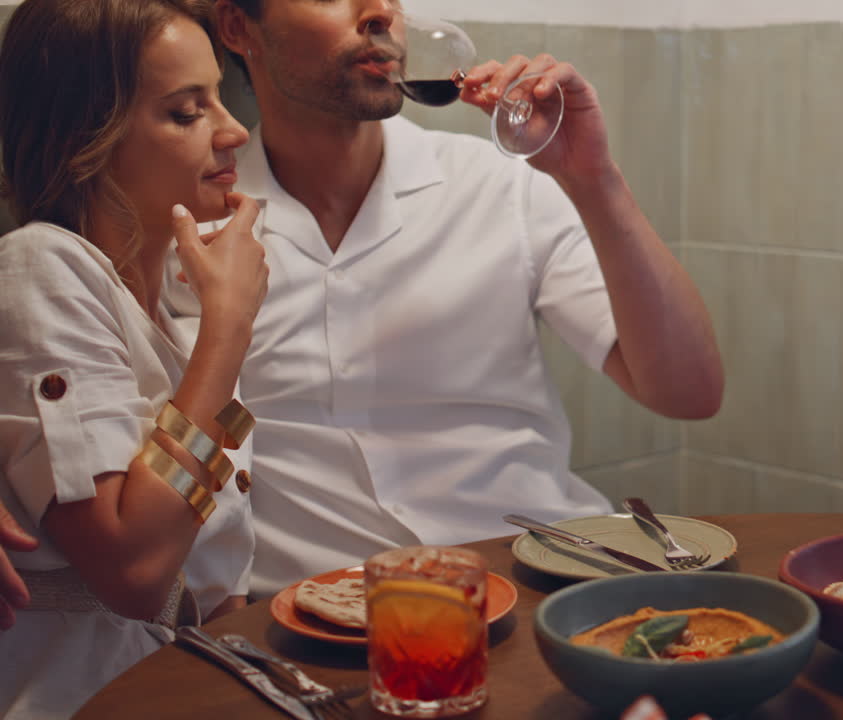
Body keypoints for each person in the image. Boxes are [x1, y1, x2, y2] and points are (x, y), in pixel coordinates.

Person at [165, 0, 725, 596]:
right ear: (236, 26)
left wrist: (594, 180)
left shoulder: (503, 184)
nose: (379, 12)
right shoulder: (192, 228)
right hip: (316, 618)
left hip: (537, 586)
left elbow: (688, 393)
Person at [0, 0, 267, 716]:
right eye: (186, 113)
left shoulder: (172, 331)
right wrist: (229, 326)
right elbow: (135, 570)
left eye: (220, 96)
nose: (235, 129)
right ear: (86, 138)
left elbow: (215, 588)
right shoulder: (40, 267)